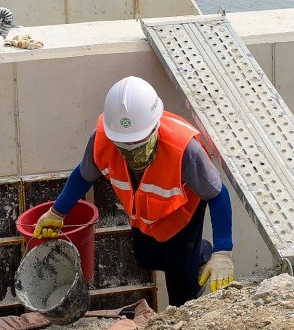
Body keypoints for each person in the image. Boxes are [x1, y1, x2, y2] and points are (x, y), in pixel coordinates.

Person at [33, 77, 234, 307]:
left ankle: (182, 315)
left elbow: (218, 195)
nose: (132, 153)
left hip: (181, 212)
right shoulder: (101, 140)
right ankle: (200, 253)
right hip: (144, 213)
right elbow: (83, 175)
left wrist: (223, 251)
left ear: (155, 127)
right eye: (124, 145)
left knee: (180, 277)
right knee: (146, 257)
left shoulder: (185, 150)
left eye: (139, 143)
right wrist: (57, 213)